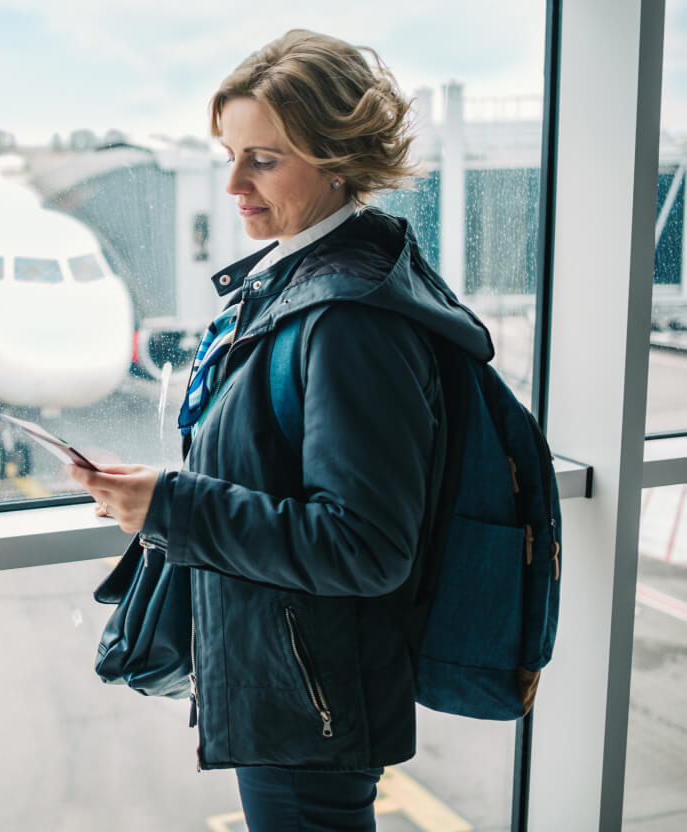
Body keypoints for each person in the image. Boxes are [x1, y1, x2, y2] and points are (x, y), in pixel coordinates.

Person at [69, 29, 492, 832]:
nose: (232, 182)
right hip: (297, 679)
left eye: (263, 159)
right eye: (229, 153)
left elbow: (364, 546)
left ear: (337, 160)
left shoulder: (347, 322)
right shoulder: (301, 283)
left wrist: (173, 507)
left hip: (310, 703)